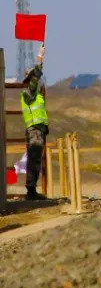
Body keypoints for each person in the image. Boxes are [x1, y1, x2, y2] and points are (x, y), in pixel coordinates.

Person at [20, 44, 48, 200]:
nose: (38, 80)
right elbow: (36, 76)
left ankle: (32, 189)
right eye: (35, 78)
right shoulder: (28, 93)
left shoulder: (34, 95)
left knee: (35, 159)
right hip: (34, 131)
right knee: (34, 160)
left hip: (38, 130)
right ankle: (31, 191)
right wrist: (39, 57)